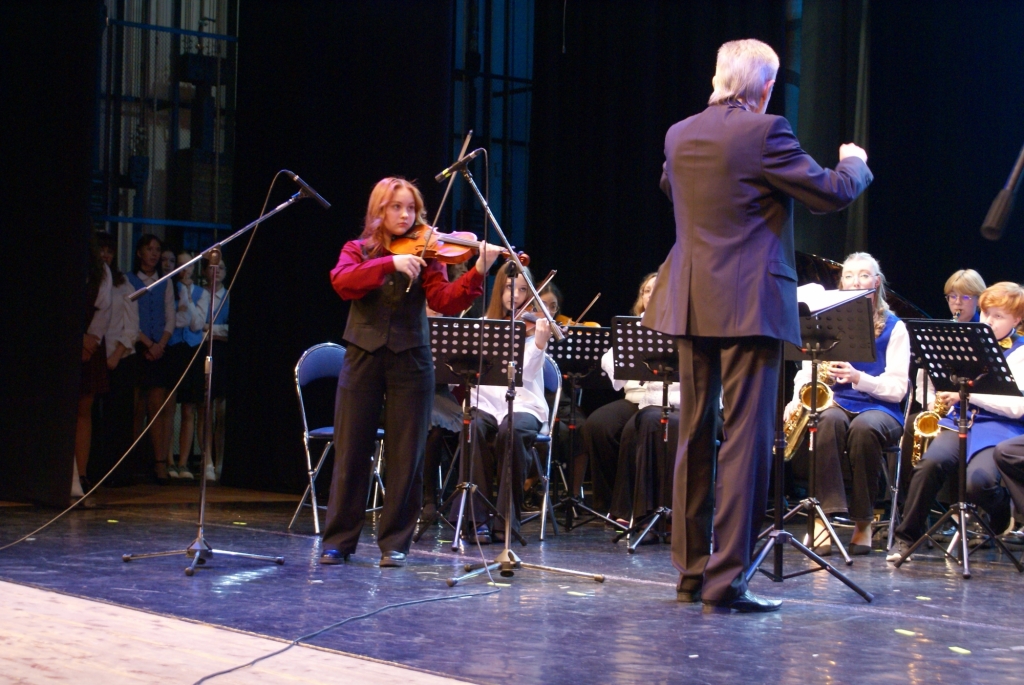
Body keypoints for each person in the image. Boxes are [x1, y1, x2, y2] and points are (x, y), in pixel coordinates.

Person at [642, 39, 873, 612]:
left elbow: (672, 187)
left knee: (695, 434)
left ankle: (691, 574)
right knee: (745, 441)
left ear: (719, 77)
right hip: (749, 302)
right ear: (766, 87)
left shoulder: (679, 133)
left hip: (690, 297)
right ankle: (726, 582)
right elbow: (830, 193)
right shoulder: (767, 131)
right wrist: (854, 161)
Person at [320, 177, 499, 567]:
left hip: (412, 357)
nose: (405, 215)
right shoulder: (357, 249)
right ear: (379, 211)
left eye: (411, 208)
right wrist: (389, 263)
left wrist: (478, 270)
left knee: (407, 455)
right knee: (351, 451)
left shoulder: (428, 254)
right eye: (396, 207)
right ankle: (338, 541)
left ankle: (395, 544)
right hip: (363, 354)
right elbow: (342, 282)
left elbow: (444, 301)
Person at [888, 282, 1024, 562]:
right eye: (986, 313)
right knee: (929, 465)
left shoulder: (1021, 353)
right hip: (961, 420)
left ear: (1017, 320)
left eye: (998, 316)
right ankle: (906, 539)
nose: (988, 321)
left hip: (998, 427)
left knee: (979, 482)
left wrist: (968, 394)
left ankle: (1001, 515)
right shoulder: (967, 342)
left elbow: (1016, 407)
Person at [784, 253, 909, 555]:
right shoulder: (828, 320)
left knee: (864, 429)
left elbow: (898, 389)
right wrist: (796, 399)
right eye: (849, 276)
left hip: (881, 408)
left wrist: (858, 378)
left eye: (864, 275)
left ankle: (863, 521)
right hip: (837, 402)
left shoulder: (895, 327)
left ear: (876, 282)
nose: (856, 282)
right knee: (826, 421)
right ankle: (823, 518)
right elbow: (808, 372)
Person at [450, 265, 552, 544]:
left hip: (525, 405)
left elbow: (525, 376)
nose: (515, 295)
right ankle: (477, 519)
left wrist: (540, 345)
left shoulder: (534, 328)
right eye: (510, 287)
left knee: (512, 430)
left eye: (523, 290)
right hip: (484, 402)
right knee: (473, 428)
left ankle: (506, 519)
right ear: (499, 290)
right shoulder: (482, 325)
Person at [582, 273, 659, 514]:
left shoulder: (675, 325)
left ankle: (629, 507)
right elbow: (609, 358)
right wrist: (623, 365)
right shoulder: (634, 327)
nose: (651, 295)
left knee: (632, 431)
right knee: (597, 425)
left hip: (659, 401)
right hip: (634, 398)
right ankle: (607, 503)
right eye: (646, 291)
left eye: (657, 289)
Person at [126, 234, 175, 482]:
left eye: (157, 249)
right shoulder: (129, 280)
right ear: (139, 253)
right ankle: (132, 462)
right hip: (137, 349)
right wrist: (147, 343)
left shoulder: (165, 281)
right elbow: (129, 318)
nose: (154, 254)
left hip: (160, 350)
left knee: (157, 408)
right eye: (149, 249)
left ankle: (159, 463)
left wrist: (160, 345)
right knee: (136, 407)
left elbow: (171, 317)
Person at [94, 232, 139, 486]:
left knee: (118, 419)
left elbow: (132, 326)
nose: (105, 255)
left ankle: (118, 473)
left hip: (120, 359)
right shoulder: (91, 281)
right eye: (101, 250)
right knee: (93, 417)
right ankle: (92, 470)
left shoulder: (124, 285)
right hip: (94, 356)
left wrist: (116, 355)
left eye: (109, 251)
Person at [73, 235, 112, 503]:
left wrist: (90, 341)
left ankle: (82, 473)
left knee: (83, 407)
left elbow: (104, 309)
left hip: (90, 345)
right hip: (63, 343)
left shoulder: (102, 271)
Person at [166, 252, 204, 480]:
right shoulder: (169, 288)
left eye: (188, 265)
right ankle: (169, 460)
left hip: (193, 351)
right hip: (173, 349)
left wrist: (188, 300)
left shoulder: (200, 292)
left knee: (189, 408)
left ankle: (183, 462)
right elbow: (176, 321)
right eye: (180, 265)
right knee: (170, 407)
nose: (184, 269)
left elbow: (196, 324)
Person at [192, 256, 230, 482]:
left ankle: (221, 460)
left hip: (223, 355)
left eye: (222, 268)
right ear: (205, 270)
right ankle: (206, 460)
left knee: (221, 411)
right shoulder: (199, 294)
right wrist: (212, 330)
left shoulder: (229, 295)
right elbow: (195, 327)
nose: (219, 271)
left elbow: (228, 330)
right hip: (201, 353)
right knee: (204, 409)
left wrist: (211, 329)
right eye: (214, 268)